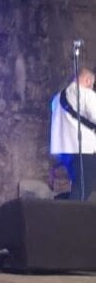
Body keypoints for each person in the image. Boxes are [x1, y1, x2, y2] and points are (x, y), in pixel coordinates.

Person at [49, 67, 96, 201]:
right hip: (84, 150)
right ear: (87, 80)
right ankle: (66, 213)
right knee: (82, 189)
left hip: (64, 151)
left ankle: (60, 206)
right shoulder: (85, 94)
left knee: (78, 187)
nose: (92, 87)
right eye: (92, 84)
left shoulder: (57, 98)